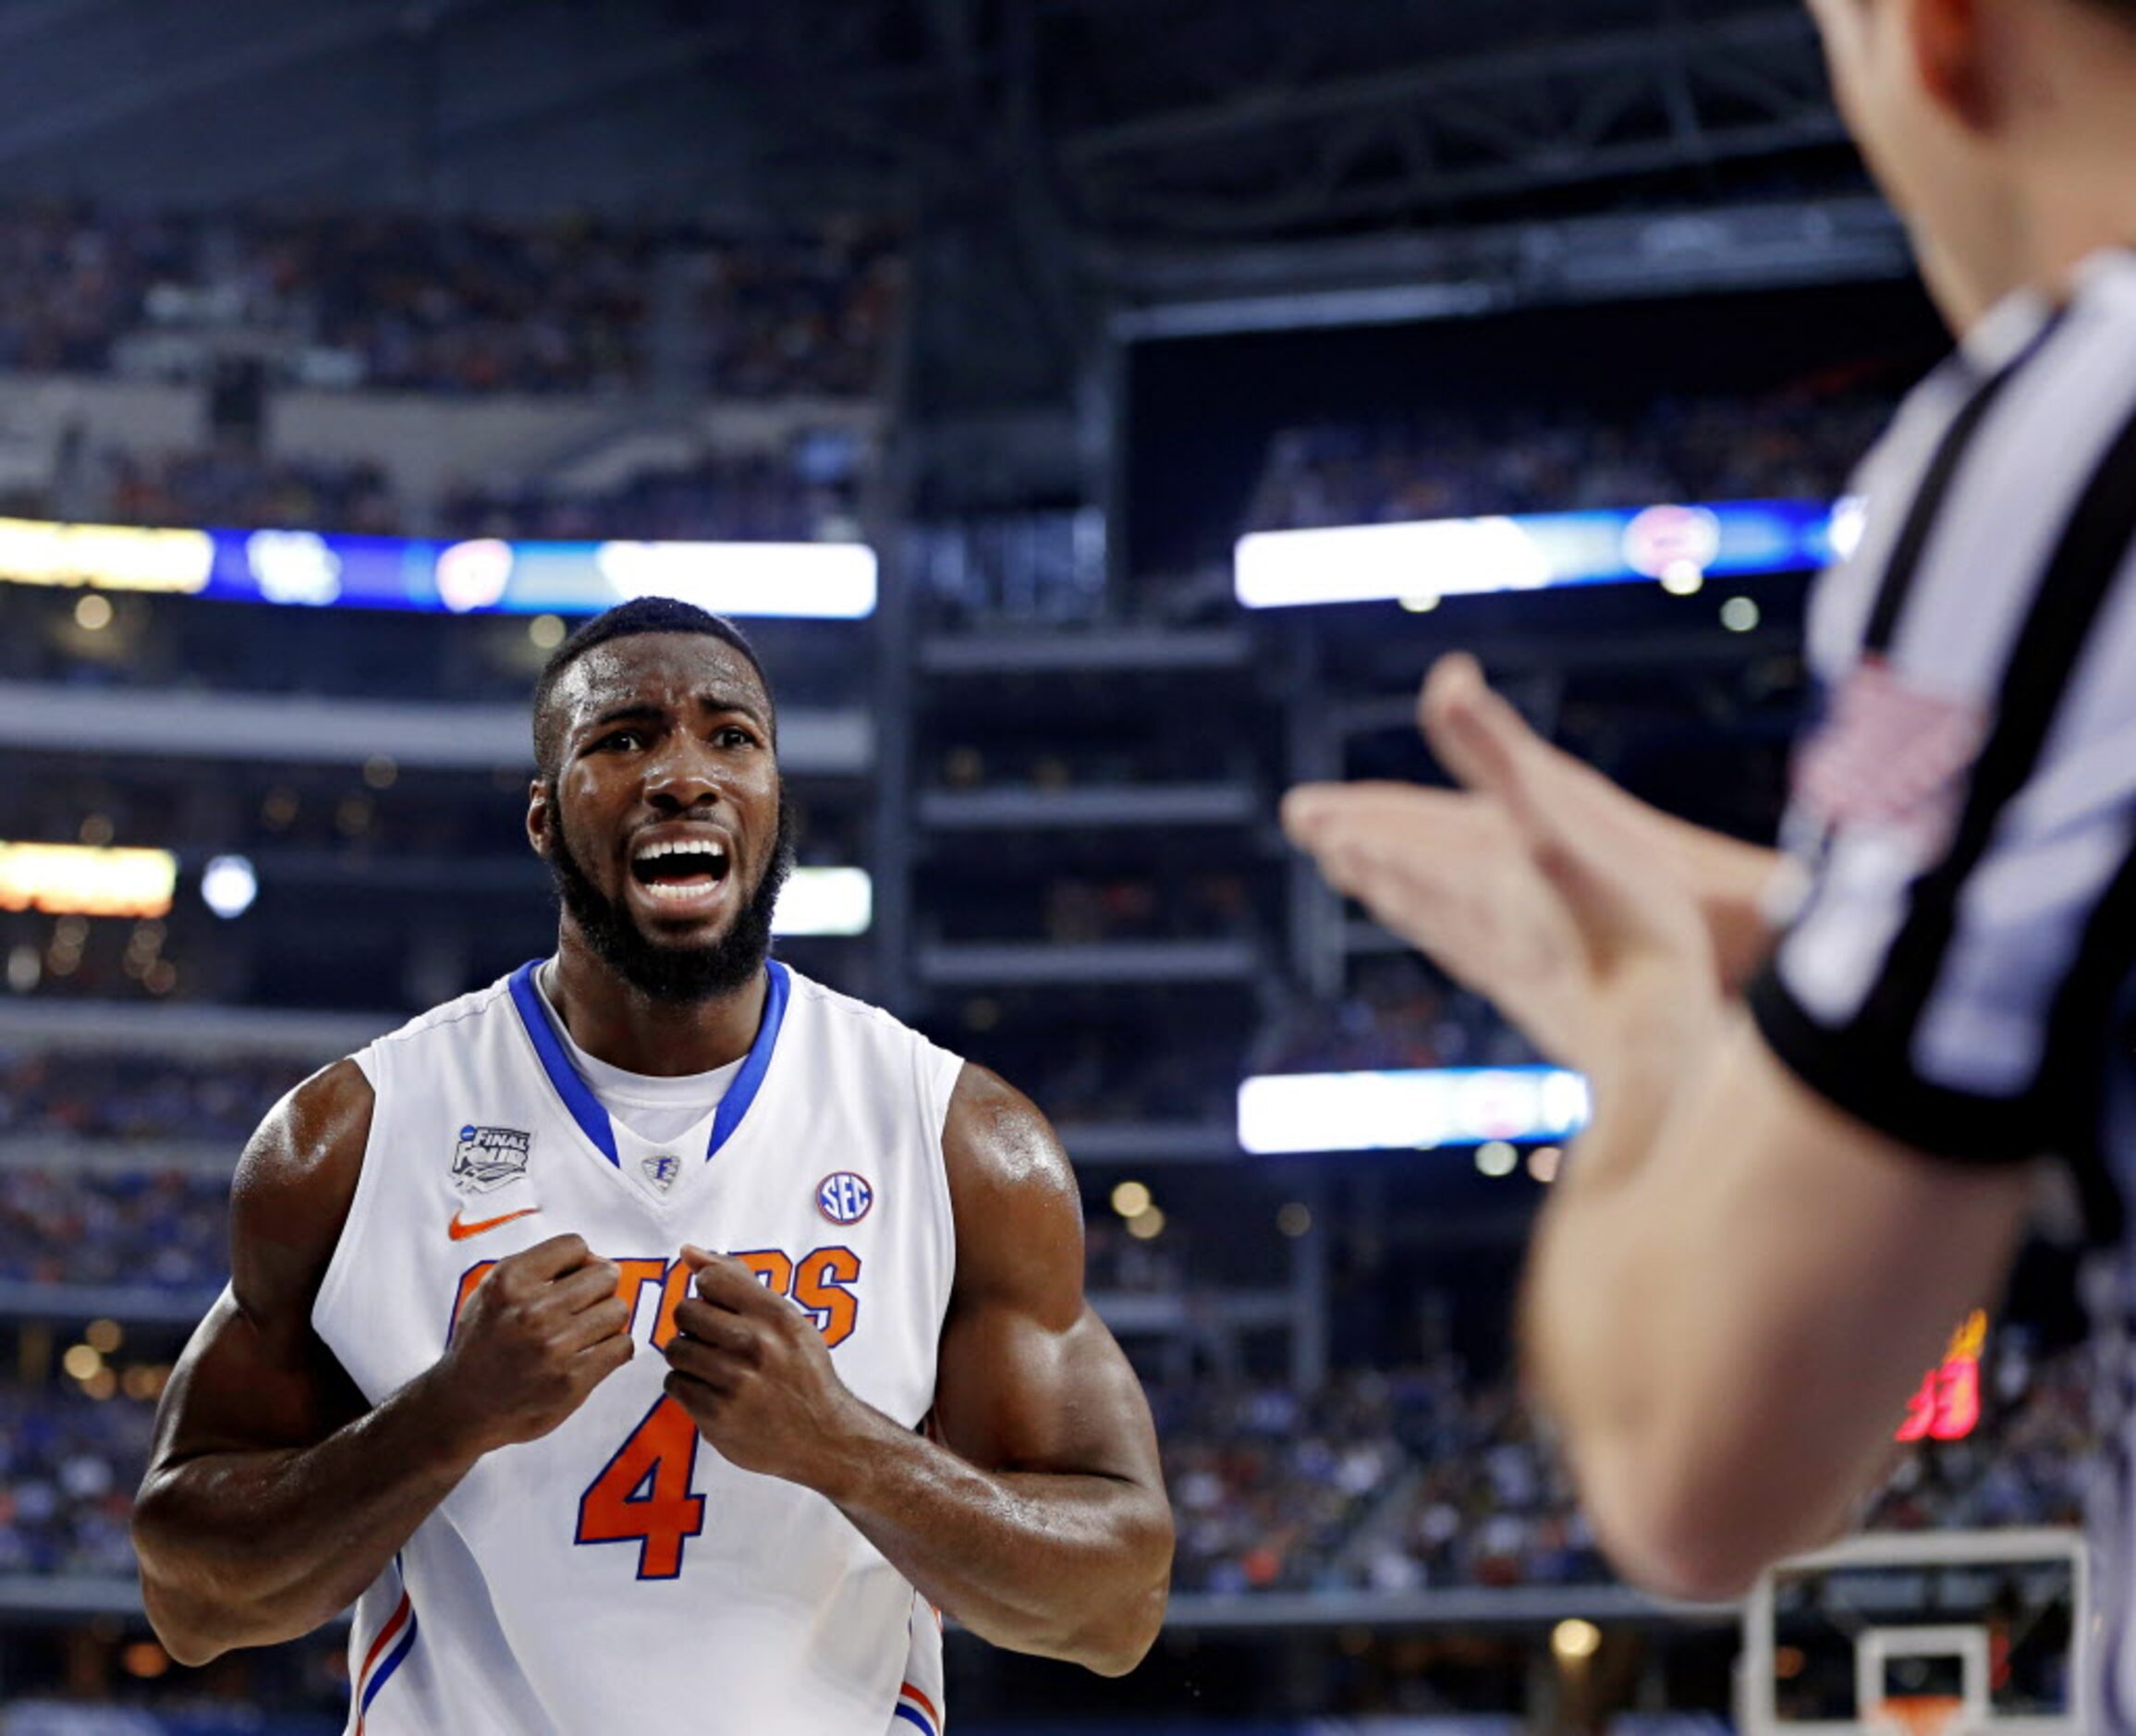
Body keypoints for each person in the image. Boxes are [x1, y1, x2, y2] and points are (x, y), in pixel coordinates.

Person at [1283, 0, 2136, 1716]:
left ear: (1936, 33)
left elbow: (1698, 1462)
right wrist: (1772, 912)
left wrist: (1632, 1012)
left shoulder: (2076, 427)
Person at [131, 597, 1173, 1734]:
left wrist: (846, 1449)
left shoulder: (960, 1139)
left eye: (731, 736)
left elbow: (1115, 1609)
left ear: (776, 804)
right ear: (544, 816)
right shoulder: (350, 1137)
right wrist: (448, 1416)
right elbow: (192, 1601)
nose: (683, 773)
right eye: (622, 738)